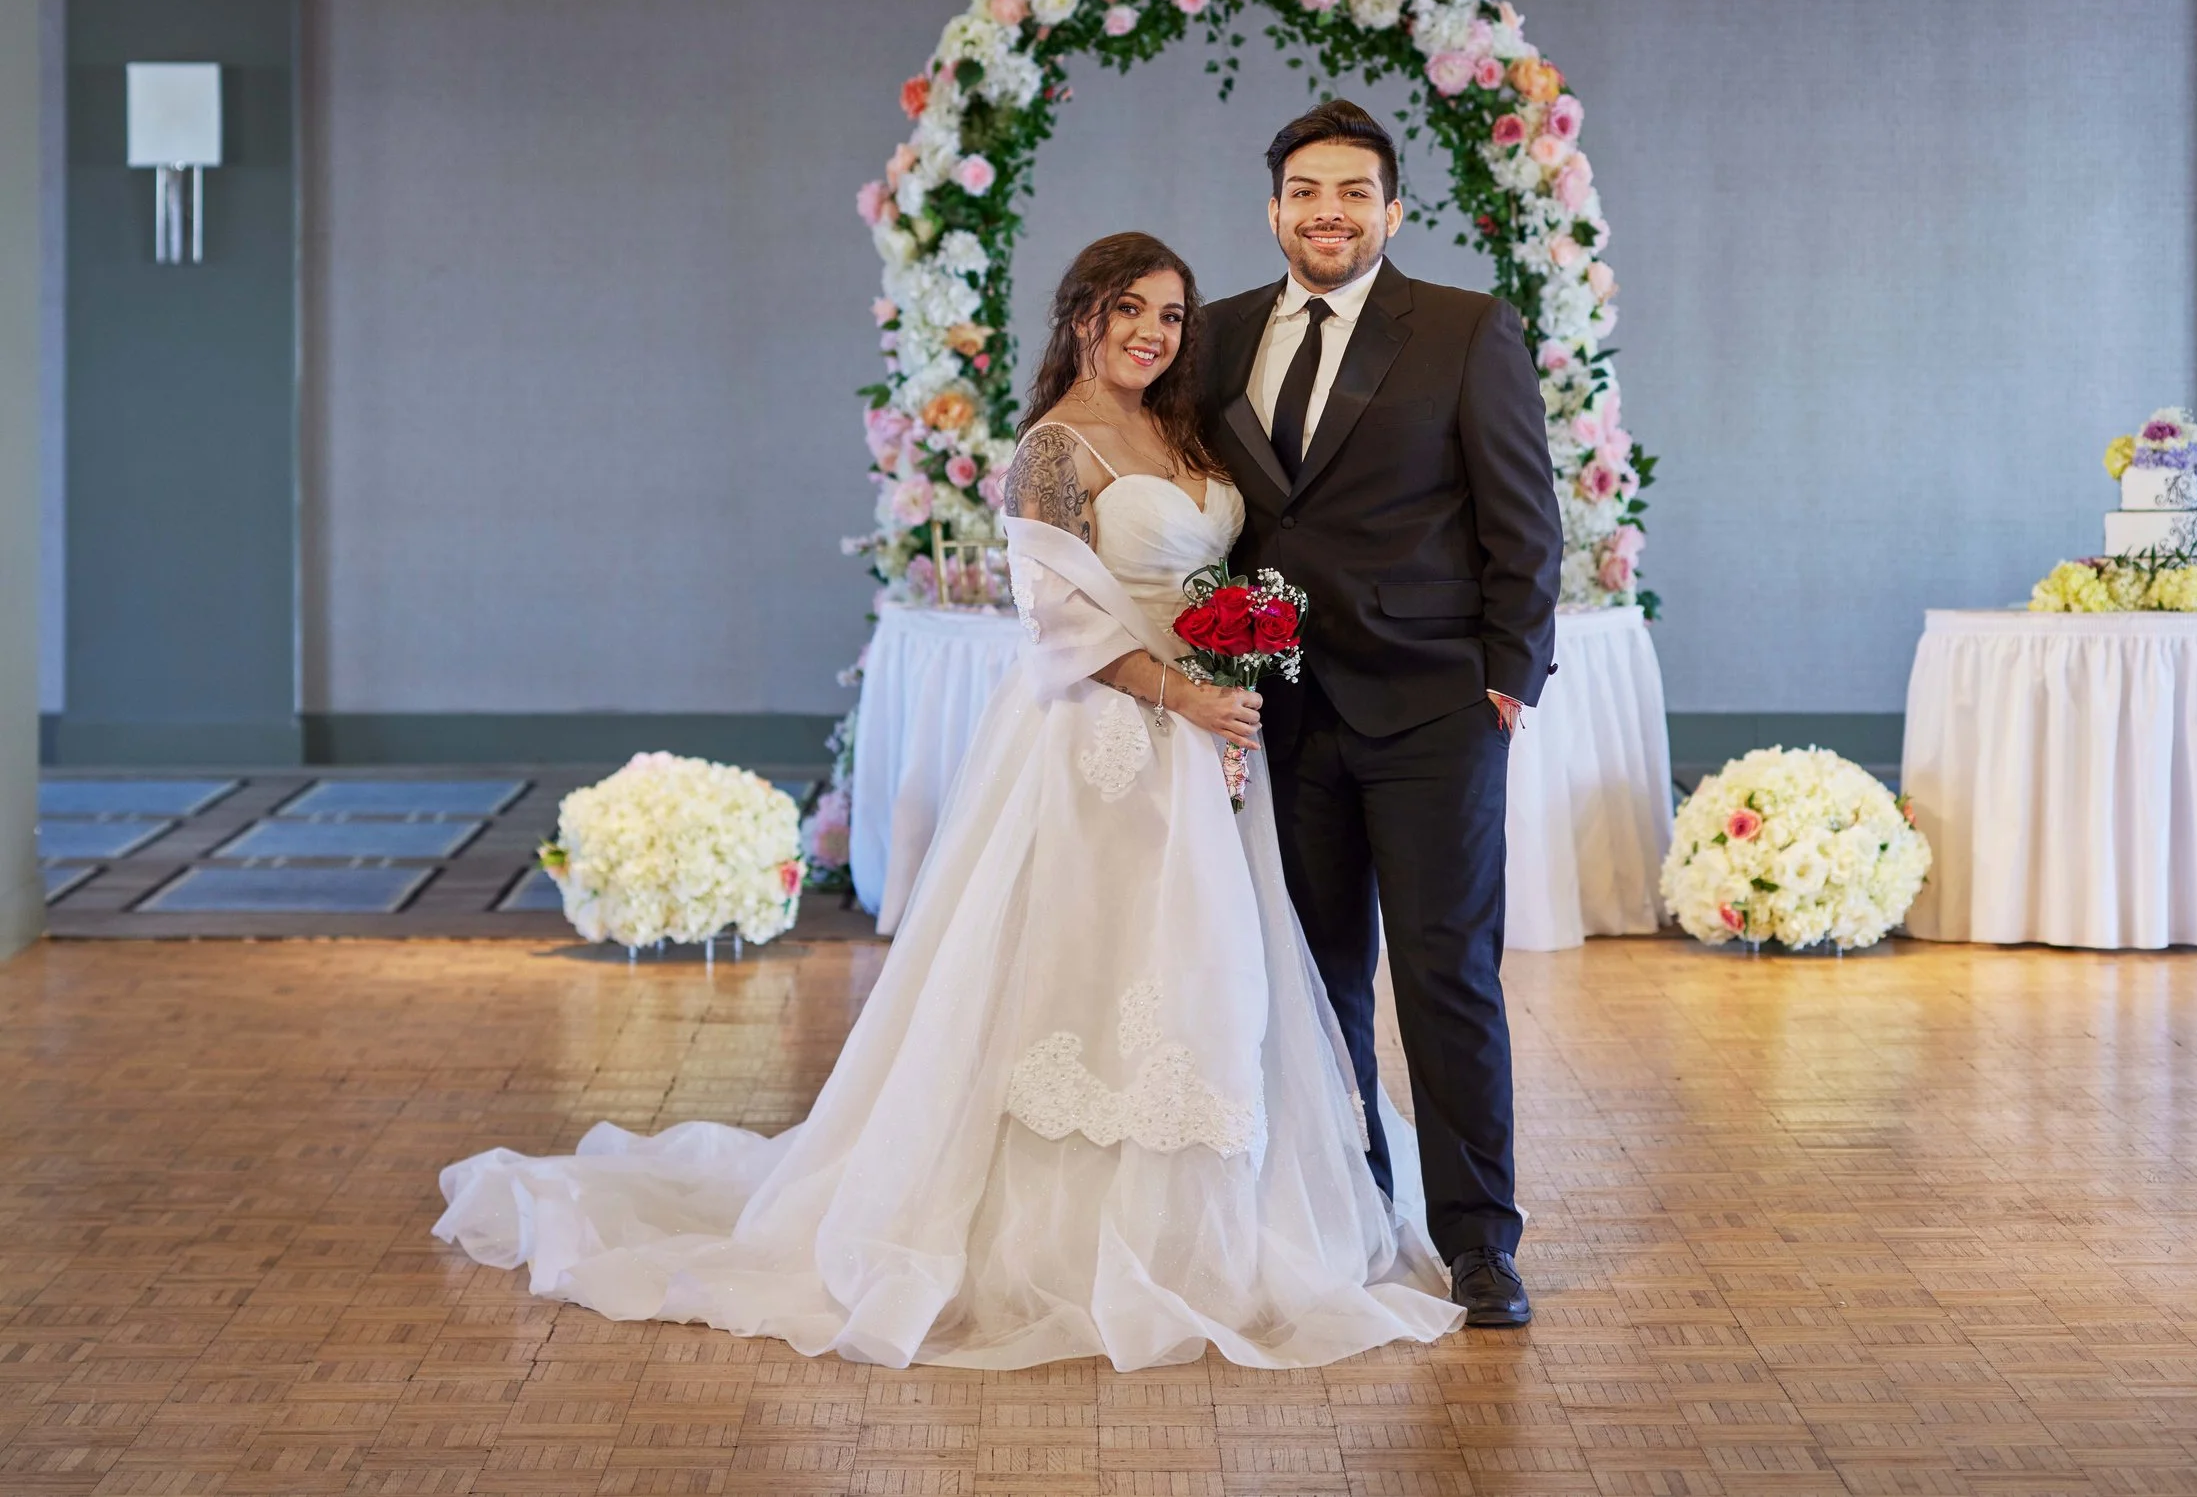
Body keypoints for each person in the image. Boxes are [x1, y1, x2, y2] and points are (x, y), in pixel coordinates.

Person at [435, 232, 1462, 1369]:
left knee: (1204, 966)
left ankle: (1210, 1227)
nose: (1152, 334)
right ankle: (1060, 1239)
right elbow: (1061, 625)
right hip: (1102, 742)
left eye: (1171, 317)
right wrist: (1187, 693)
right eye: (1130, 310)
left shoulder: (1182, 428)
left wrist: (1234, 663)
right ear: (1081, 315)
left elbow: (1210, 574)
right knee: (1088, 963)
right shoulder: (1048, 453)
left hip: (1206, 740)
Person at [1203, 100, 1565, 1328]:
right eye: (1307, 190)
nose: (1328, 212)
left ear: (1392, 208)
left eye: (1354, 191)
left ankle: (1478, 1240)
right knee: (1315, 981)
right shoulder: (1213, 336)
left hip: (1430, 710)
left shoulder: (1464, 330)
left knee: (1446, 976)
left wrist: (1508, 676)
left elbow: (1523, 518)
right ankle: (1351, 1205)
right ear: (1273, 207)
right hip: (1285, 710)